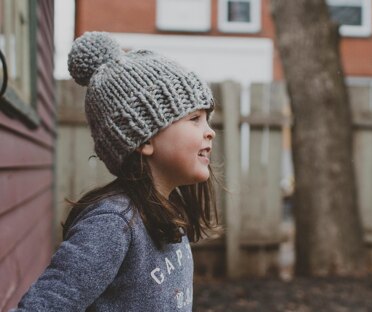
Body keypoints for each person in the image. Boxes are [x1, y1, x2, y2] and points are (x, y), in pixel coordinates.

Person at [12, 31, 218, 311]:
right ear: (144, 139)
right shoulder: (112, 223)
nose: (210, 133)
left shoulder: (165, 209)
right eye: (195, 119)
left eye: (207, 120)